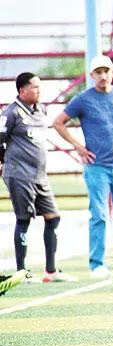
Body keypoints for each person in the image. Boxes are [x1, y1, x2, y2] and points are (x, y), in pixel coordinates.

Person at [53, 55, 113, 278]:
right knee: (99, 216)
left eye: (106, 71)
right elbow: (58, 122)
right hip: (96, 167)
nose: (103, 76)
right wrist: (78, 147)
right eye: (98, 72)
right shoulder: (83, 99)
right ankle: (97, 264)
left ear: (112, 73)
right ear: (92, 75)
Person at [0, 72, 78, 283]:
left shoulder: (41, 109)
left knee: (53, 217)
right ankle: (22, 273)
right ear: (22, 90)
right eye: (34, 87)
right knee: (23, 219)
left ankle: (50, 271)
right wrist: (3, 160)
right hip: (19, 174)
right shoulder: (11, 113)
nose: (39, 91)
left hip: (39, 176)